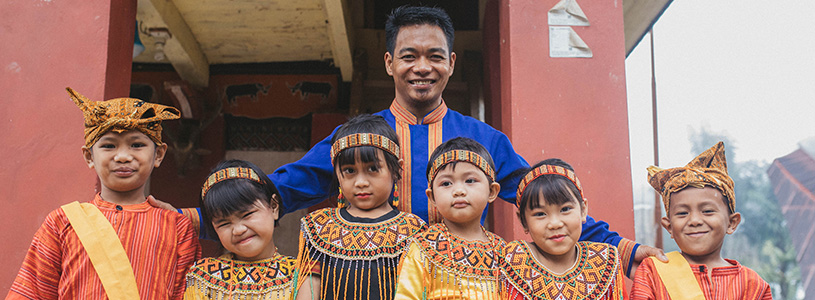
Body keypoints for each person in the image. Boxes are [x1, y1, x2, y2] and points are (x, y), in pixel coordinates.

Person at [265, 5, 661, 278]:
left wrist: (622, 248)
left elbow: (541, 198)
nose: (422, 67)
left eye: (435, 56)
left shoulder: (483, 138)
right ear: (389, 63)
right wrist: (209, 215)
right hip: (371, 283)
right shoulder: (357, 139)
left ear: (451, 63)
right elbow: (287, 186)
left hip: (464, 283)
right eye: (408, 56)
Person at [7, 88, 201, 300]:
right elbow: (30, 294)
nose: (123, 156)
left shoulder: (177, 227)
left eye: (137, 145)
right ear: (89, 156)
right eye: (109, 146)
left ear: (159, 154)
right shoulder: (62, 222)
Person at [294, 114, 427, 300]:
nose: (361, 182)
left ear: (396, 170)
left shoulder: (414, 230)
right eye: (349, 171)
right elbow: (309, 289)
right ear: (337, 174)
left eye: (372, 169)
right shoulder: (319, 227)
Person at [630, 142, 772, 299]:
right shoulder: (653, 272)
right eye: (683, 213)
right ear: (669, 227)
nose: (695, 220)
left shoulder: (752, 284)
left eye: (708, 211)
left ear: (732, 223)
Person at [394, 137, 505, 299]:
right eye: (446, 184)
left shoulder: (502, 252)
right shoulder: (423, 247)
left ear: (492, 191)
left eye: (470, 180)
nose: (458, 190)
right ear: (432, 197)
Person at [500, 159, 624, 300]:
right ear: (523, 221)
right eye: (540, 214)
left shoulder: (605, 260)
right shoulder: (514, 260)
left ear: (583, 210)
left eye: (565, 209)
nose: (555, 224)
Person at [184, 160, 295, 299]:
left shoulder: (300, 275)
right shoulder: (202, 276)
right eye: (224, 224)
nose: (238, 230)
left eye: (247, 215)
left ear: (274, 207)